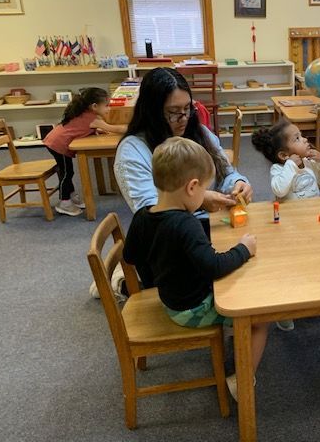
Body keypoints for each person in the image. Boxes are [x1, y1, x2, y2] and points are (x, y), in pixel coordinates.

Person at [123, 137, 268, 402]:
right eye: (204, 190)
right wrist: (244, 249)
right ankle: (242, 380)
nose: (205, 196)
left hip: (169, 296)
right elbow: (213, 267)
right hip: (189, 308)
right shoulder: (185, 224)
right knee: (259, 318)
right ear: (192, 187)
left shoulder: (143, 214)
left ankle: (237, 348)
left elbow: (130, 255)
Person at [113, 67, 253, 235]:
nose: (184, 118)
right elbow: (149, 210)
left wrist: (238, 184)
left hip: (211, 227)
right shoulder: (133, 151)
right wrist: (198, 200)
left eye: (187, 109)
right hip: (171, 237)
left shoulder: (198, 131)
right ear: (152, 113)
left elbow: (226, 172)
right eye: (173, 112)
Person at [252, 121, 320, 331]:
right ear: (283, 155)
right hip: (289, 227)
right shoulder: (279, 169)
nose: (305, 139)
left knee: (314, 261)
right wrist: (291, 166)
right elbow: (279, 189)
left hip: (312, 223)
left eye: (302, 135)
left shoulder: (309, 162)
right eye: (297, 138)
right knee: (291, 267)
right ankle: (284, 309)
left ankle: (313, 295)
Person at [43, 87, 126, 216]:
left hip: (54, 141)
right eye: (106, 105)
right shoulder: (94, 119)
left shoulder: (84, 113)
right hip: (58, 144)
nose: (108, 109)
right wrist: (133, 128)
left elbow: (80, 127)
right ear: (94, 106)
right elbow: (114, 129)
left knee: (67, 171)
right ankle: (64, 202)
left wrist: (95, 130)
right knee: (66, 173)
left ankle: (70, 197)